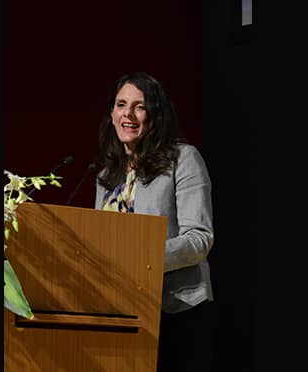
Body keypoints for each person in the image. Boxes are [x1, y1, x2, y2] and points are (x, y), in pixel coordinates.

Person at [94, 72, 218, 372]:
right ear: (112, 114)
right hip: (120, 311)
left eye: (140, 106)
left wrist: (140, 259)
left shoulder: (183, 159)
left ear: (155, 114)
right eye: (121, 104)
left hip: (176, 313)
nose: (129, 114)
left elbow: (199, 239)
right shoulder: (106, 176)